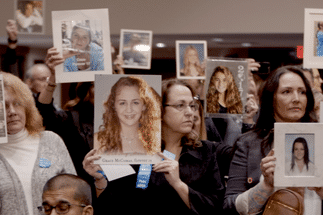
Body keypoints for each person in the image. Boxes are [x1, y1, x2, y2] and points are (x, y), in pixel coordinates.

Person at [83, 79, 224, 215]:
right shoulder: (133, 149)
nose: (190, 113)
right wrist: (100, 179)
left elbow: (215, 207)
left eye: (192, 105)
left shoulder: (205, 151)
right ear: (159, 110)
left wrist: (178, 184)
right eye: (180, 105)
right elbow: (115, 207)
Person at [0, 72, 76, 215]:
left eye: (17, 103)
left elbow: (75, 193)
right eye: (3, 106)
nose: (12, 111)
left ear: (27, 107)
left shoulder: (51, 140)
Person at [223, 65, 323, 215]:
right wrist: (265, 186)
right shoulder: (248, 143)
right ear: (271, 98)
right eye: (286, 92)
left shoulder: (320, 139)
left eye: (302, 92)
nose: (296, 99)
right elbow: (230, 206)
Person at [95, 76, 161, 154]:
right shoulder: (98, 140)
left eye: (135, 102)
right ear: (114, 106)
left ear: (144, 106)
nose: (129, 109)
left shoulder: (156, 141)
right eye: (122, 103)